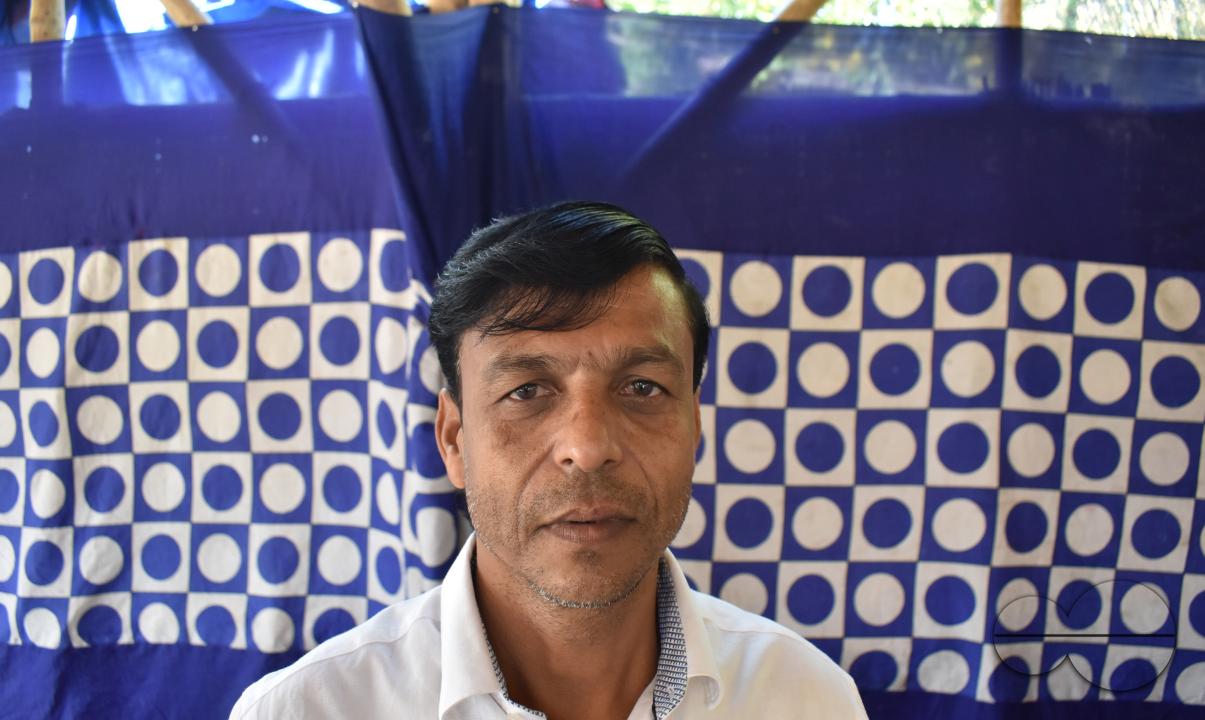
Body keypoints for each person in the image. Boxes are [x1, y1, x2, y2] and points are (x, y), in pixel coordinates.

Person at [230, 201, 867, 719]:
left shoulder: (807, 700)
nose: (587, 449)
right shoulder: (308, 710)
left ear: (694, 424)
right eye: (526, 392)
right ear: (454, 440)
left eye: (642, 388)